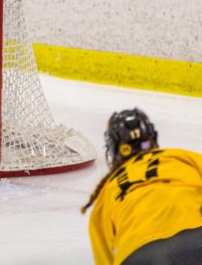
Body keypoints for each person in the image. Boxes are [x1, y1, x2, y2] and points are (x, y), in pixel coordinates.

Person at [81, 108, 202, 265]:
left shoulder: (108, 190)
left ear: (115, 150)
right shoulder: (179, 156)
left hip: (137, 253)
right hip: (194, 236)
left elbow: (103, 254)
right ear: (152, 139)